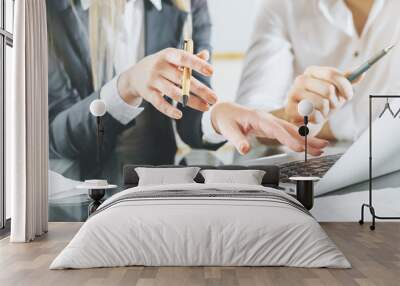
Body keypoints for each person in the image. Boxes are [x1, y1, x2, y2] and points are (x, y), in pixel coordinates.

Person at [47, 0, 326, 184]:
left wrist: (216, 116)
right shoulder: (47, 9)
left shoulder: (187, 5)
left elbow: (190, 110)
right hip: (76, 190)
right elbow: (59, 137)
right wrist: (127, 85)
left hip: (156, 183)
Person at [222, 0, 400, 144]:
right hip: (308, 163)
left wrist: (330, 125)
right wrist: (296, 118)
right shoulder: (281, 6)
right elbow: (251, 119)